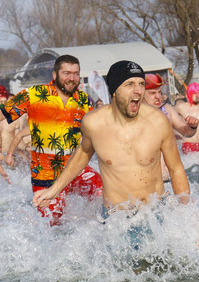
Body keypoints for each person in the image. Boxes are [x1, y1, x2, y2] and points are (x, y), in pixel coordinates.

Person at [32, 60, 190, 215]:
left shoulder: (158, 121)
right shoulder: (94, 123)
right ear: (114, 90)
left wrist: (187, 215)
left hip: (154, 213)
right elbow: (82, 154)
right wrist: (53, 190)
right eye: (130, 84)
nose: (138, 90)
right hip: (116, 219)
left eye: (141, 84)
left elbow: (176, 169)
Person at [0, 54, 102, 224]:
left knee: (104, 194)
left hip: (76, 169)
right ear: (55, 75)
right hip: (46, 173)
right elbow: (3, 110)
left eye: (76, 73)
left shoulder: (84, 101)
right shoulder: (35, 94)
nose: (72, 78)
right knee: (52, 225)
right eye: (66, 73)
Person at [142, 73, 199, 138]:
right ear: (141, 95)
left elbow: (186, 132)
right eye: (152, 93)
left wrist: (192, 126)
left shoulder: (167, 109)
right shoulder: (135, 114)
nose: (158, 96)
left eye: (159, 92)